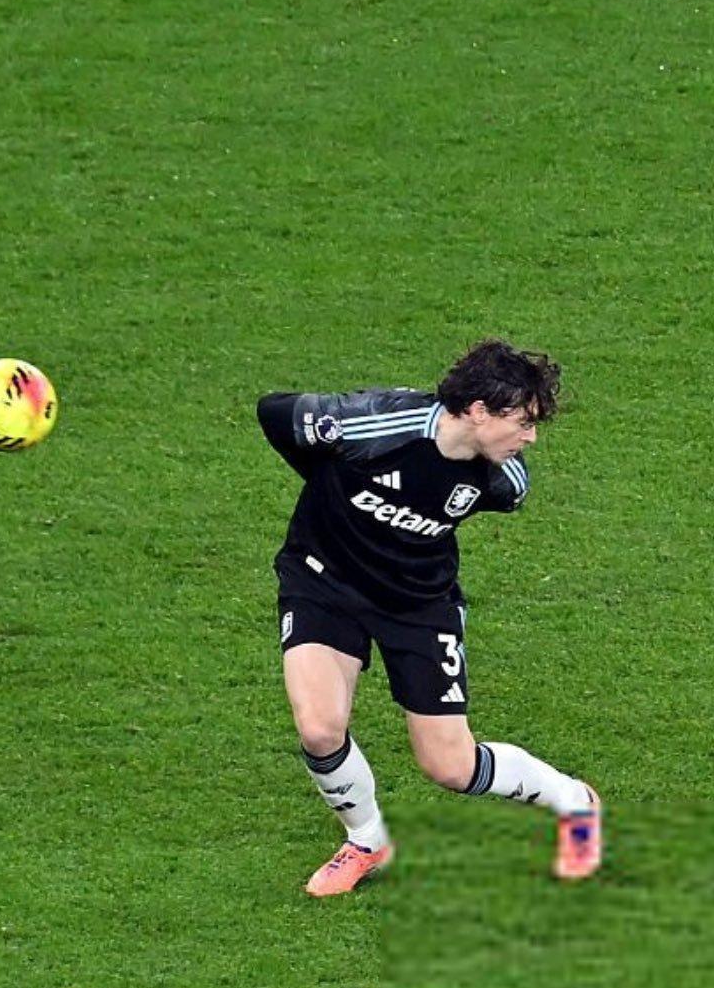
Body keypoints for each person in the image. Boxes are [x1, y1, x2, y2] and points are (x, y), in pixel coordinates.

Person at [258, 341, 604, 896]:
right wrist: (328, 480)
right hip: (324, 582)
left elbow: (477, 494)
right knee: (320, 728)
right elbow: (274, 412)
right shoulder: (372, 424)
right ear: (479, 411)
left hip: (417, 603)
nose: (530, 438)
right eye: (523, 422)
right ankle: (366, 840)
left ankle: (575, 801)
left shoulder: (503, 480)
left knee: (451, 767)